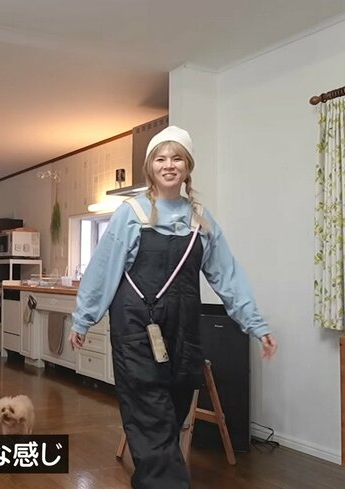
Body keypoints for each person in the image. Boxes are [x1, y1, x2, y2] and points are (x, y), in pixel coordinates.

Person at [69, 125, 277, 489]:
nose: (169, 165)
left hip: (183, 329)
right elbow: (103, 270)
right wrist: (83, 319)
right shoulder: (131, 213)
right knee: (150, 414)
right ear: (150, 166)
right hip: (135, 326)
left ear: (187, 166)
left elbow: (228, 276)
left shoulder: (200, 220)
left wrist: (256, 325)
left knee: (173, 412)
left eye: (177, 158)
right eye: (161, 159)